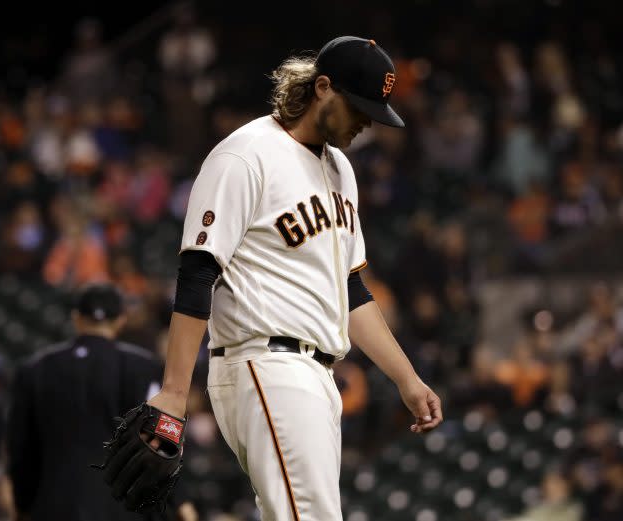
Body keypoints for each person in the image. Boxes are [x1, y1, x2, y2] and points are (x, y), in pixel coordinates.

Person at [139, 36, 443, 520]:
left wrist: (407, 379)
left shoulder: (340, 168)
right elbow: (198, 273)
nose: (368, 122)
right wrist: (175, 390)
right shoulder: (245, 155)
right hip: (265, 363)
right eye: (359, 107)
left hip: (318, 375)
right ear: (323, 88)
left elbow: (351, 289)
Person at [6, 283, 196, 521]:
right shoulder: (144, 368)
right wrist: (181, 500)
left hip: (53, 504)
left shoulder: (34, 370)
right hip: (124, 506)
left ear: (77, 318)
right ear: (120, 320)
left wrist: (22, 504)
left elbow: (20, 449)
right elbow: (161, 442)